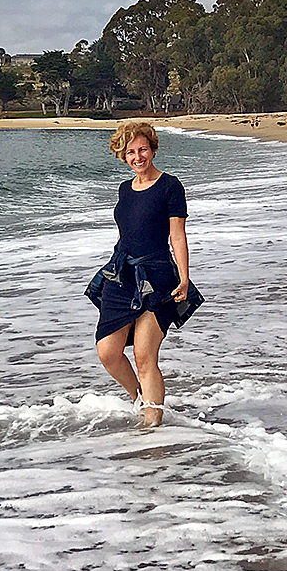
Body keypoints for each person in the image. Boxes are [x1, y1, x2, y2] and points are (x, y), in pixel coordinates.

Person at [93, 121, 192, 428]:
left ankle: (153, 426)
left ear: (153, 149)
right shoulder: (125, 189)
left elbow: (177, 235)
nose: (138, 157)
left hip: (157, 275)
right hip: (121, 275)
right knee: (107, 351)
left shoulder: (169, 186)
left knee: (144, 354)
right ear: (123, 156)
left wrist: (184, 278)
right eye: (131, 152)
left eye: (143, 150)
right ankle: (140, 398)